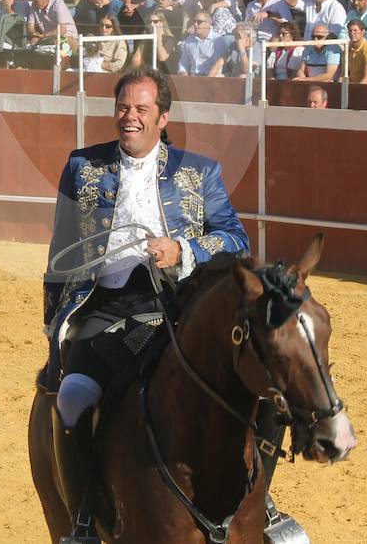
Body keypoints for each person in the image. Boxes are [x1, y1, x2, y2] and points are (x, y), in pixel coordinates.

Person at [44, 69, 250, 539]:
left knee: (257, 384)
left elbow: (238, 241)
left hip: (184, 305)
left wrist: (185, 249)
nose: (129, 117)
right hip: (108, 304)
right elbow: (59, 258)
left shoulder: (200, 172)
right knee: (74, 397)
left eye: (141, 109)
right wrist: (54, 331)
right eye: (123, 108)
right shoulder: (83, 167)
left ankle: (266, 506)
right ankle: (82, 522)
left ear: (163, 117)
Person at [342, 18, 367, 83]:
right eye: (350, 31)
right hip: (353, 86)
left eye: (355, 30)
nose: (352, 33)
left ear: (363, 32)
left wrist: (354, 91)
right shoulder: (347, 49)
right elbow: (343, 75)